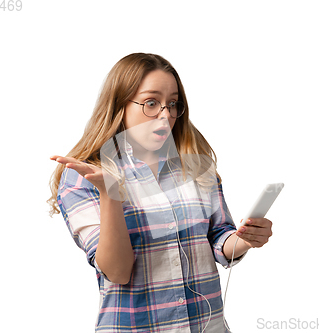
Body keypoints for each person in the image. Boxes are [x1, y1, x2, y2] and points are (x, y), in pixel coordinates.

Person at [48, 53, 273, 333]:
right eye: (151, 103)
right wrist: (110, 195)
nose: (166, 115)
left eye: (173, 104)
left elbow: (218, 239)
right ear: (120, 104)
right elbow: (117, 271)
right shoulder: (86, 176)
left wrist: (245, 239)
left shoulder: (194, 165)